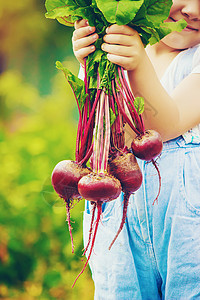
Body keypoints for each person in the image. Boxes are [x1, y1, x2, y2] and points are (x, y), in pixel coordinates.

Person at [72, 0, 200, 299]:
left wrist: (138, 63)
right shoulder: (117, 55)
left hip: (187, 235)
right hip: (119, 227)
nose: (193, 10)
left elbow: (167, 125)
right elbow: (104, 130)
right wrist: (89, 62)